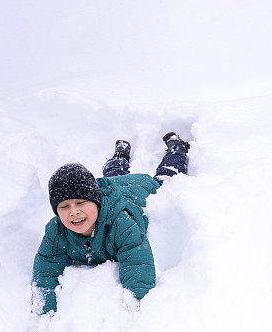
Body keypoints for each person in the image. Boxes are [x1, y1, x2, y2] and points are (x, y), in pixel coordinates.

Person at [32, 132, 190, 314]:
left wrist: (138, 310)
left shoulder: (120, 224)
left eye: (81, 203)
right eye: (64, 206)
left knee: (167, 178)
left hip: (139, 189)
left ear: (96, 202)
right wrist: (42, 315)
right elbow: (46, 273)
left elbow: (137, 263)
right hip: (112, 184)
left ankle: (177, 150)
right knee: (113, 176)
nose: (74, 211)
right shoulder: (57, 232)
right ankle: (120, 156)